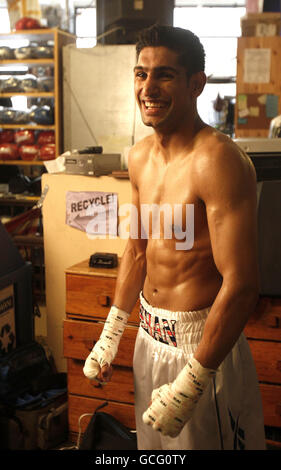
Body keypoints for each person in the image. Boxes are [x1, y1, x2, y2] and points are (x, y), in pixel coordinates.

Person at [83, 24, 266, 450]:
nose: (148, 87)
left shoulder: (219, 161)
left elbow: (242, 285)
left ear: (196, 84)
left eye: (164, 74)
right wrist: (112, 333)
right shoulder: (140, 156)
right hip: (149, 338)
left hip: (204, 348)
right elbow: (136, 250)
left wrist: (193, 380)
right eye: (140, 73)